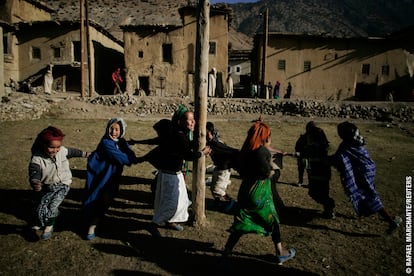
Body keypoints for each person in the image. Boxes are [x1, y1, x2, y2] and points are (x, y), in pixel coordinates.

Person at [222, 120, 295, 265]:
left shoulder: (245, 151)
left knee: (242, 220)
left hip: (245, 190)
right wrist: (275, 169)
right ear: (265, 137)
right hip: (259, 192)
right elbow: (268, 173)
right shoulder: (262, 152)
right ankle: (280, 252)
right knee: (272, 218)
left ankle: (226, 252)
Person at [141, 109, 210, 236]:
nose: (192, 122)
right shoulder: (178, 135)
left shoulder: (180, 133)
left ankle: (170, 221)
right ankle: (154, 224)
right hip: (170, 175)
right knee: (172, 202)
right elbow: (188, 154)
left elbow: (187, 145)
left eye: (193, 119)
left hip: (174, 173)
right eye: (189, 119)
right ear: (180, 122)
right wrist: (202, 153)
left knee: (183, 201)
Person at [331, 121, 402, 233]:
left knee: (370, 196)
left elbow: (337, 159)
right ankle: (366, 210)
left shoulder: (345, 146)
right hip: (369, 169)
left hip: (363, 173)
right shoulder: (358, 140)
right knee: (366, 193)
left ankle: (391, 221)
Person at [28, 126, 89, 240]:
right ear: (43, 144)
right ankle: (40, 221)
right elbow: (34, 172)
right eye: (52, 147)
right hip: (47, 186)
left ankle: (49, 226)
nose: (55, 150)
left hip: (63, 185)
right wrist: (35, 182)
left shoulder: (62, 151)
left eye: (58, 147)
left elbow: (73, 152)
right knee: (41, 206)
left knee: (52, 206)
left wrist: (86, 154)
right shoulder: (37, 158)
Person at [82, 118, 138, 240]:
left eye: (117, 129)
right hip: (101, 176)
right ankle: (91, 226)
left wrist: (128, 155)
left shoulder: (121, 142)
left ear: (122, 130)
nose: (113, 132)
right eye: (111, 129)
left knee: (107, 199)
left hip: (112, 177)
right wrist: (128, 157)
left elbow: (131, 155)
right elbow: (126, 159)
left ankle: (96, 221)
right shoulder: (106, 143)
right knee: (97, 198)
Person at [294, 121, 335, 219]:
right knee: (324, 191)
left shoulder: (312, 146)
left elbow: (302, 152)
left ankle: (329, 205)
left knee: (313, 192)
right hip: (324, 171)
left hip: (316, 171)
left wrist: (297, 154)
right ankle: (328, 210)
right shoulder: (321, 145)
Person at [206, 121, 238, 212]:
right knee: (213, 188)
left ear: (211, 133)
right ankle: (217, 202)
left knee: (217, 189)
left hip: (224, 170)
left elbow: (230, 150)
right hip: (217, 168)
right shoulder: (209, 142)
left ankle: (230, 201)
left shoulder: (217, 143)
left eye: (207, 132)